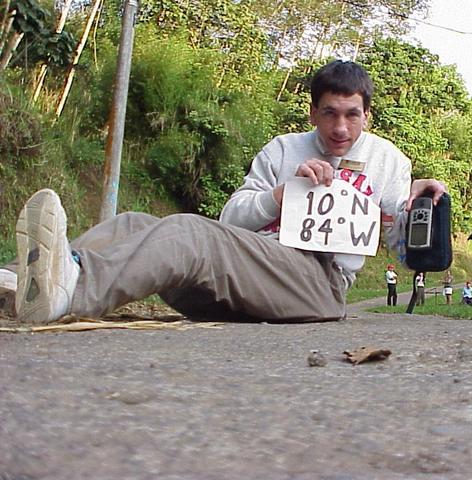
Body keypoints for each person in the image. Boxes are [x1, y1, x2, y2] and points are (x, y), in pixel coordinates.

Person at [0, 60, 446, 325]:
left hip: (318, 285)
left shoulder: (390, 162)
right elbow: (231, 220)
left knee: (189, 233)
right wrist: (280, 195)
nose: (340, 128)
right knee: (132, 223)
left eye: (352, 114)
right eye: (329, 114)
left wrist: (419, 203)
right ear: (313, 112)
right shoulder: (283, 150)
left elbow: (403, 249)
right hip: (247, 273)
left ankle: (72, 294)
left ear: (367, 115)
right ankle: (19, 283)